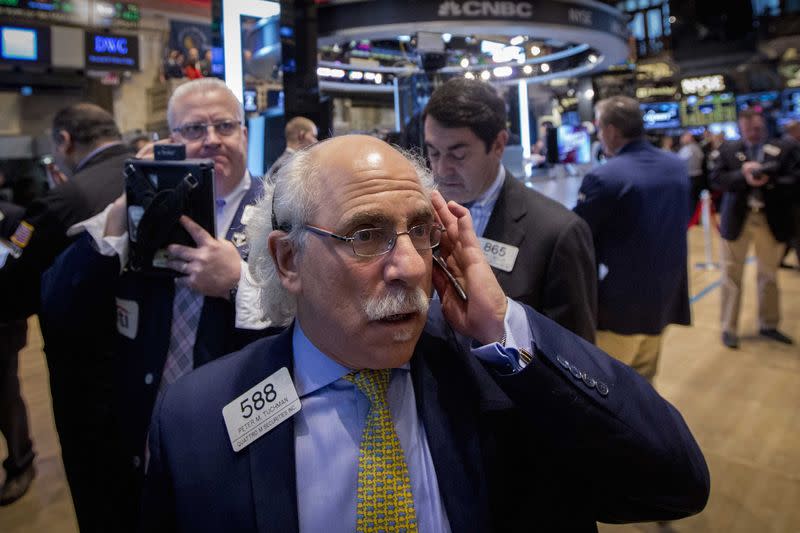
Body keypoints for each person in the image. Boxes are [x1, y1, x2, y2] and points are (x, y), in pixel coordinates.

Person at [140, 135, 709, 532]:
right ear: (289, 260)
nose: (411, 266)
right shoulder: (197, 417)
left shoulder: (500, 381)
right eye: (366, 234)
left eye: (420, 230)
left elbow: (675, 483)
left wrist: (501, 323)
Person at [40, 78, 278, 530]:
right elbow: (58, 305)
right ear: (169, 141)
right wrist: (118, 212)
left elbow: (316, 324)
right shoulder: (143, 211)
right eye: (193, 129)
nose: (211, 139)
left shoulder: (280, 208)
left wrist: (237, 285)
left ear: (244, 133)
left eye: (225, 125)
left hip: (240, 436)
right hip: (143, 438)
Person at [422, 78, 597, 342]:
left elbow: (572, 358)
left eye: (458, 155)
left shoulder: (557, 233)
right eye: (434, 152)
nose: (441, 169)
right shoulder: (418, 216)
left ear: (499, 145)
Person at [573, 96, 691, 384]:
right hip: (663, 299)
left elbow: (577, 238)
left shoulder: (604, 177)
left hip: (618, 309)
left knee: (606, 389)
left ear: (611, 131)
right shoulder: (676, 166)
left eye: (600, 128)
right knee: (645, 389)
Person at [0, 103, 132, 322]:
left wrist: (61, 197)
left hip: (85, 336)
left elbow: (17, 286)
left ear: (64, 140)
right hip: (142, 331)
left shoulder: (63, 200)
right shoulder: (147, 169)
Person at [709, 109, 797, 349]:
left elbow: (795, 179)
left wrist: (770, 179)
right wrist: (743, 176)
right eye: (748, 130)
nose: (753, 134)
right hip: (738, 219)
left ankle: (769, 324)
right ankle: (729, 327)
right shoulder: (728, 149)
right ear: (740, 128)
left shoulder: (784, 148)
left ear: (764, 127)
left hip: (770, 219)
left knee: (768, 274)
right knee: (731, 275)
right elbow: (716, 179)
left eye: (757, 129)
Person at [0, 200, 35, 506]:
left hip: (3, 325)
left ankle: (20, 464)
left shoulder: (15, 217)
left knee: (6, 397)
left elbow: (21, 257)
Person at [779, 120, 800, 270]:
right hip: (792, 197)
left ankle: (779, 258)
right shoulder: (791, 146)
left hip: (788, 196)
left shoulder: (782, 143)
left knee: (790, 233)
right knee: (796, 233)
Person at [678, 131, 707, 214]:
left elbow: (679, 162)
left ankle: (692, 219)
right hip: (699, 177)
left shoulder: (687, 149)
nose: (681, 139)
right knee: (696, 200)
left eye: (683, 137)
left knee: (691, 201)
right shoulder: (697, 147)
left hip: (690, 178)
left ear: (689, 138)